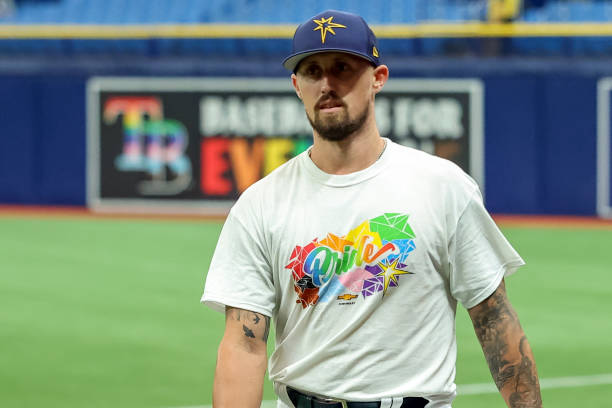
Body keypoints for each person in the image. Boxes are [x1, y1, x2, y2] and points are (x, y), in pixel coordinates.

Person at [202, 9, 542, 408]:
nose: (327, 84)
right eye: (312, 71)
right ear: (297, 85)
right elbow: (244, 343)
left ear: (377, 78)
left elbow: (493, 318)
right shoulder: (261, 204)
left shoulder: (442, 186)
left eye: (342, 68)